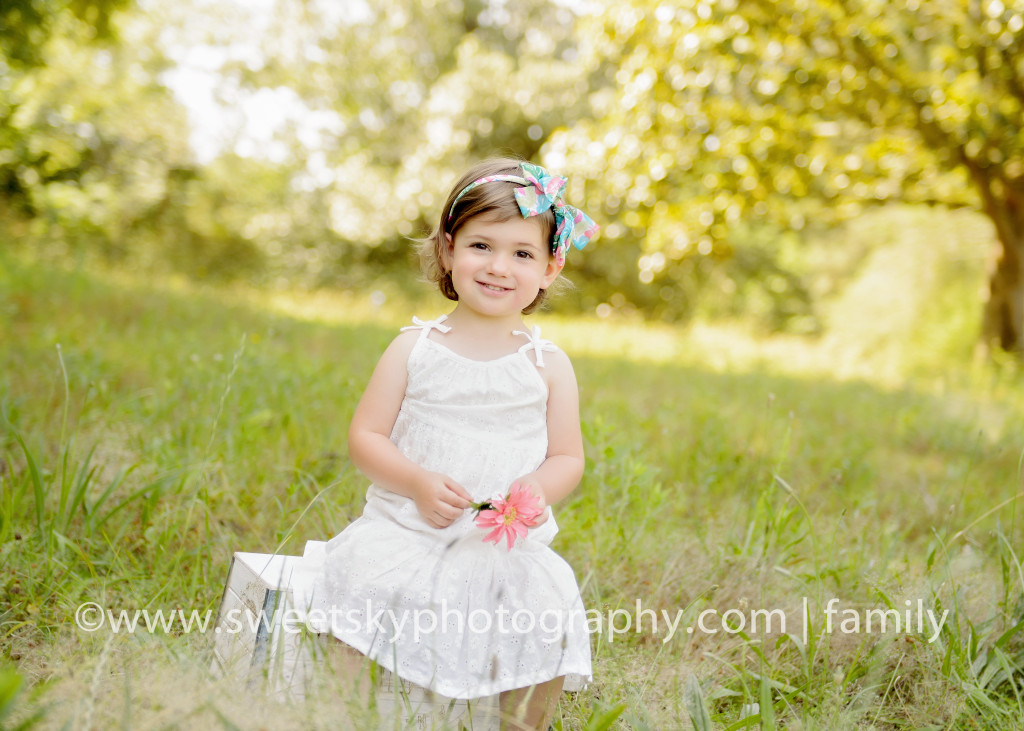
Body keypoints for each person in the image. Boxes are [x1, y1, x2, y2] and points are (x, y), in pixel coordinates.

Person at [291, 157, 598, 729]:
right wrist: (416, 481)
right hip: (408, 531)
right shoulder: (414, 348)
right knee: (365, 585)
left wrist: (534, 489)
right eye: (482, 246)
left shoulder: (548, 365)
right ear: (448, 250)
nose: (499, 266)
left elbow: (567, 456)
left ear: (550, 268)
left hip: (504, 548)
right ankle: (345, 716)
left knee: (547, 607)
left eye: (522, 253)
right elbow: (366, 436)